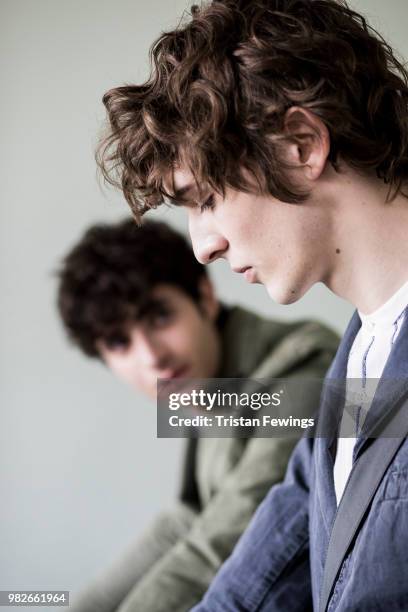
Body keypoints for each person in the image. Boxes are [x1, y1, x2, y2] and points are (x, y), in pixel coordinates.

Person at [96, 0, 408, 609]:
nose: (201, 246)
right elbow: (243, 587)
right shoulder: (351, 372)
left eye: (206, 196)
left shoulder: (297, 367)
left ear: (300, 144)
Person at [57, 218, 337, 612]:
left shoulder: (304, 363)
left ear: (205, 298)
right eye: (119, 342)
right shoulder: (201, 384)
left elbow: (223, 539)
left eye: (159, 317)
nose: (152, 356)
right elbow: (185, 521)